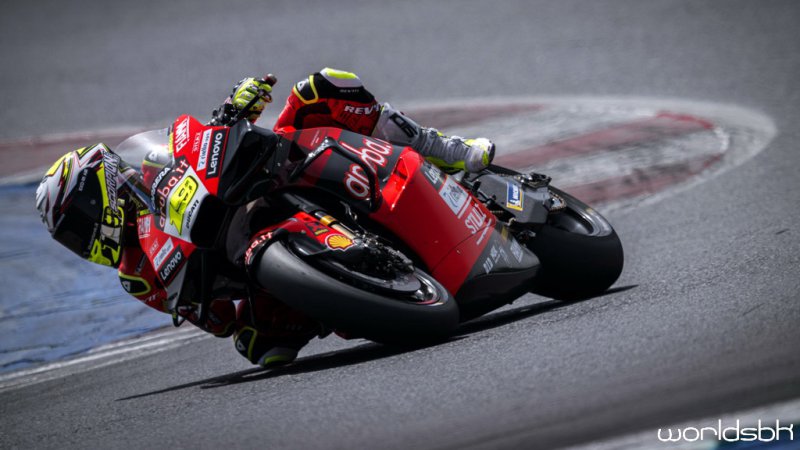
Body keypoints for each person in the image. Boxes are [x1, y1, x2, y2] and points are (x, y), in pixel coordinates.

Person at [35, 68, 495, 368]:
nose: (84, 239)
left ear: (100, 188)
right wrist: (209, 305)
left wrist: (233, 112)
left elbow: (193, 143)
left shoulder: (154, 162)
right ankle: (366, 284)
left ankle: (442, 150)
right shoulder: (136, 275)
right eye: (71, 238)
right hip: (252, 268)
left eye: (79, 222)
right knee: (260, 347)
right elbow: (219, 321)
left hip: (263, 183)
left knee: (321, 88)